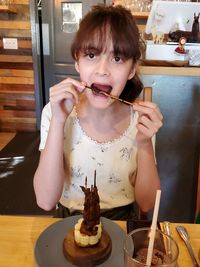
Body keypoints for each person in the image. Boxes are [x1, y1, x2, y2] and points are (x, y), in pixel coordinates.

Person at [33, 4, 163, 220]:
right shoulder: (55, 113)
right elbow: (46, 201)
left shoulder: (140, 122)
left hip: (122, 224)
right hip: (69, 222)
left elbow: (148, 203)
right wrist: (57, 122)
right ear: (77, 61)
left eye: (117, 58)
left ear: (132, 69)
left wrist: (144, 143)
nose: (102, 70)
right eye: (91, 55)